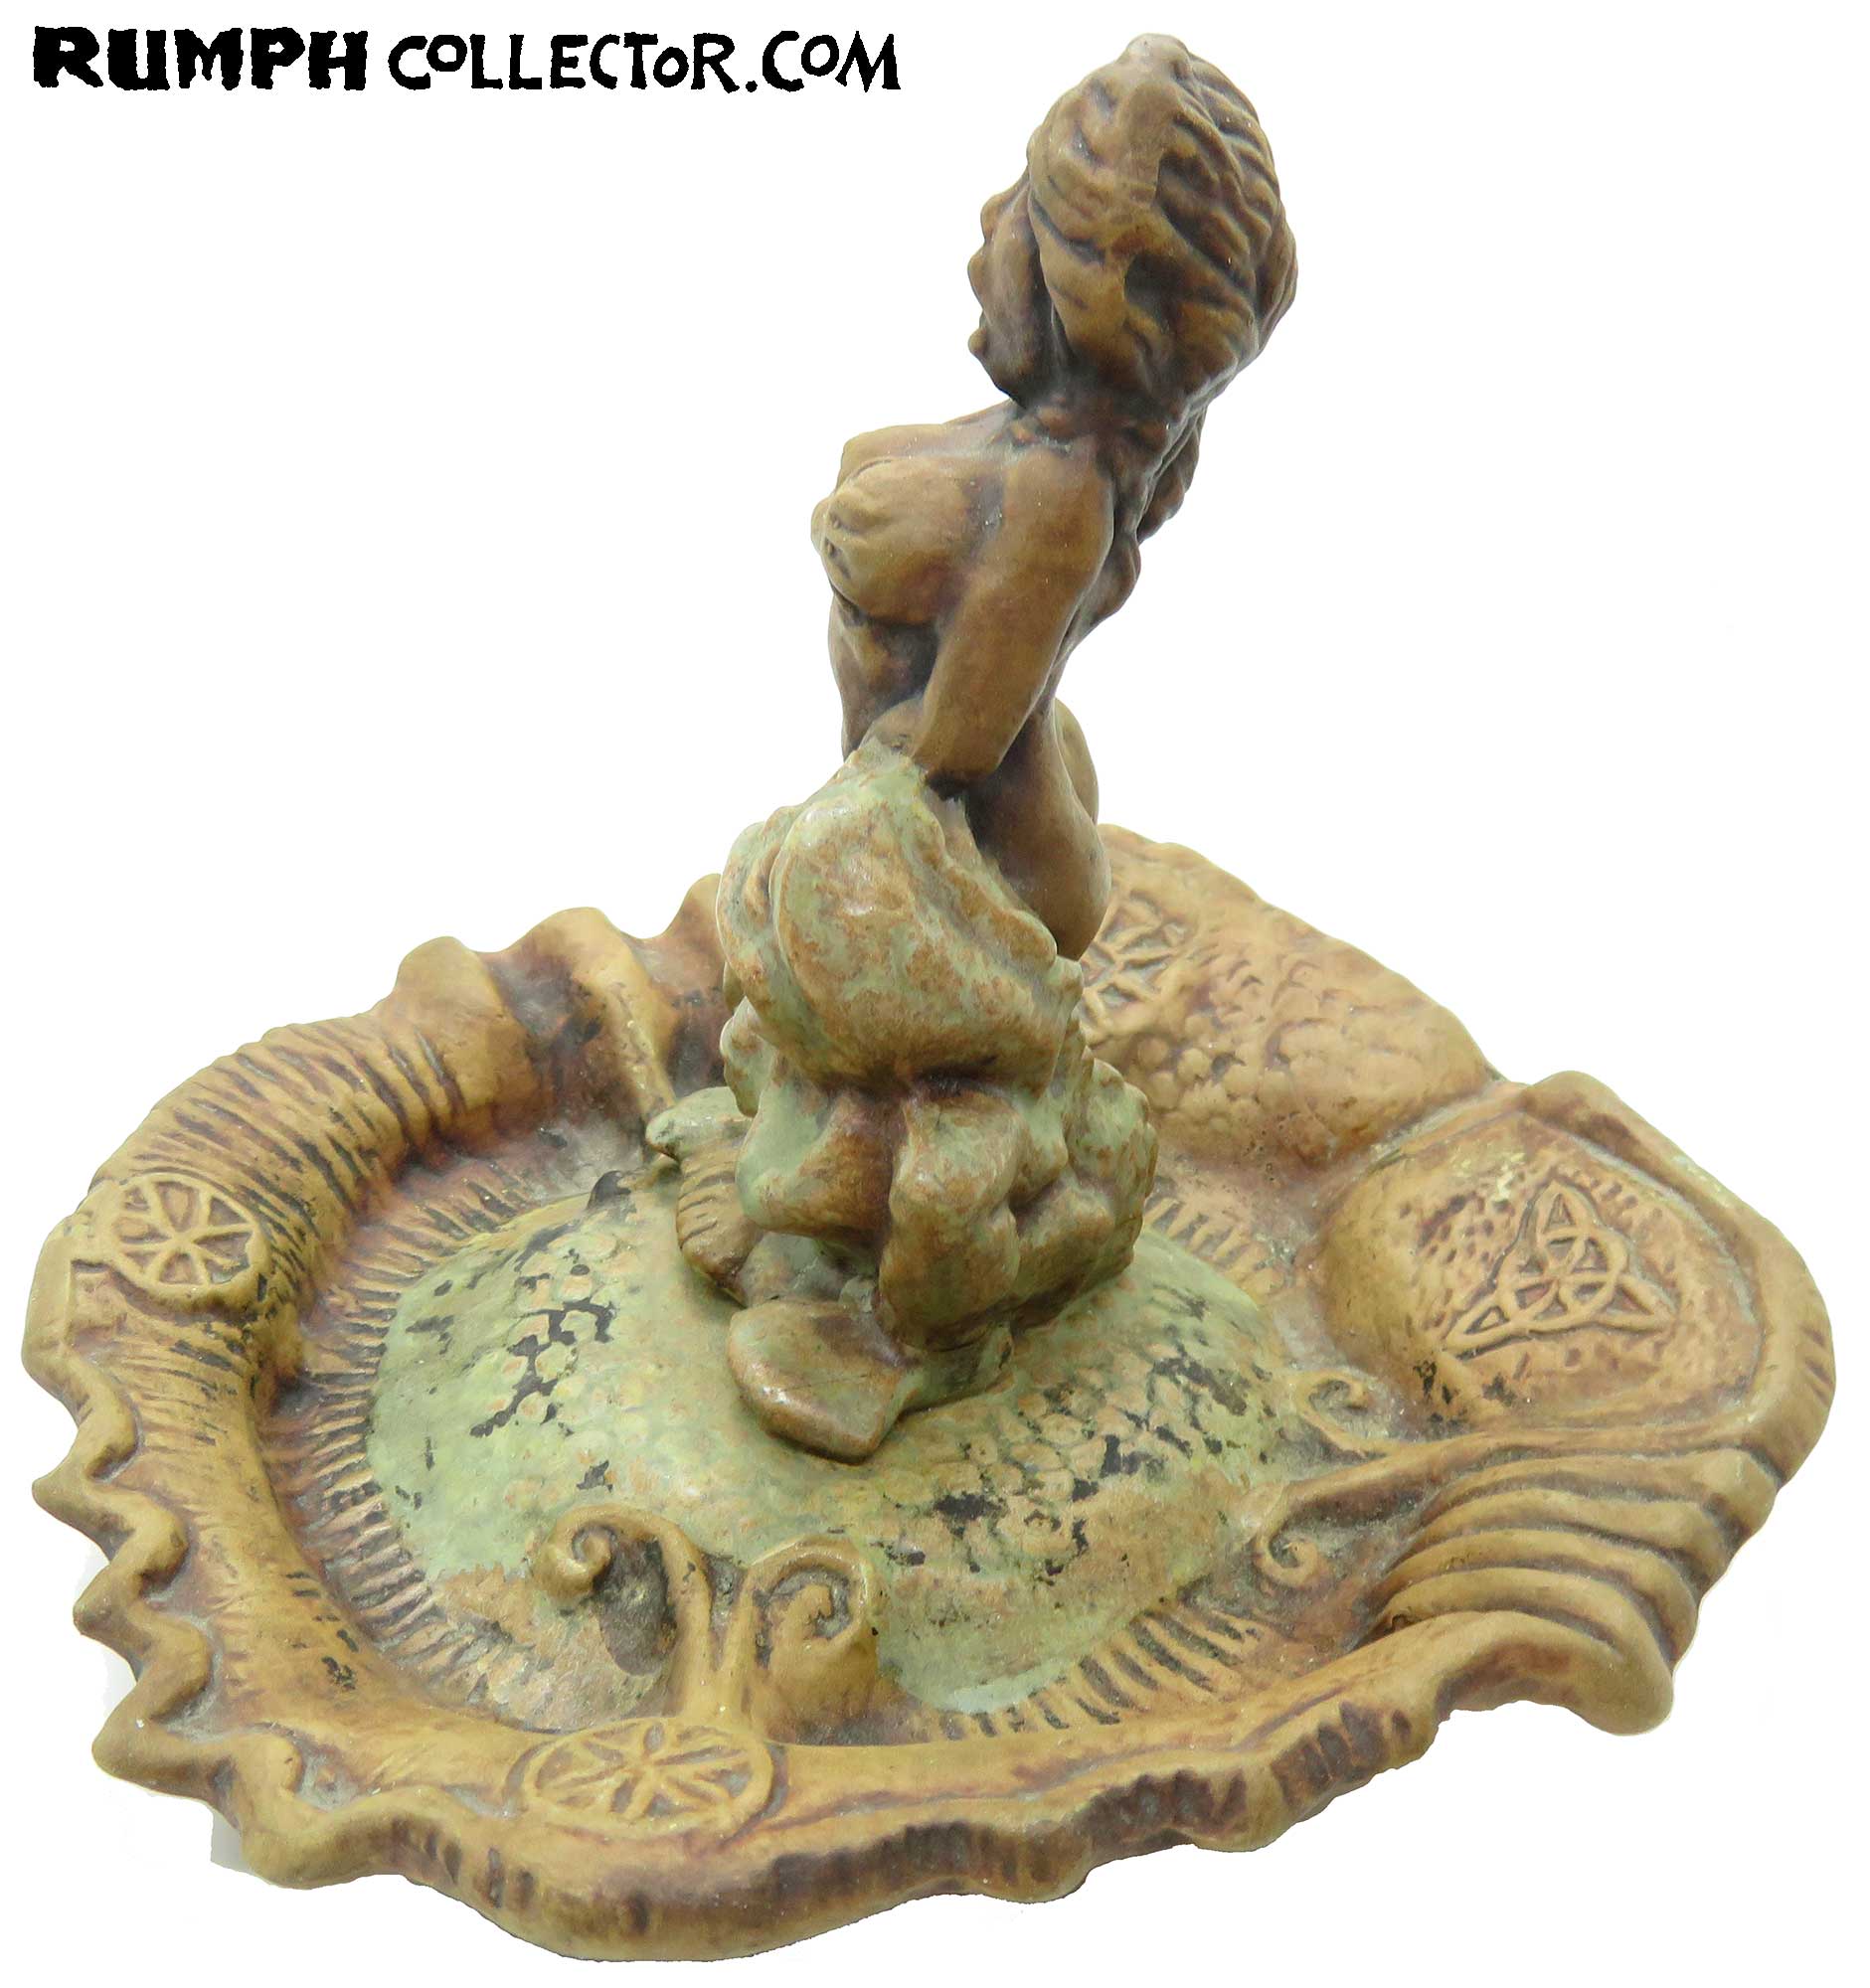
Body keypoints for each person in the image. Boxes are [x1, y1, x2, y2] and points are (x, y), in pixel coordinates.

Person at [810, 34, 1297, 961]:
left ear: (1088, 281)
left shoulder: (1057, 499)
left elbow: (951, 750)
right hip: (927, 830)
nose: (991, 218)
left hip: (987, 882)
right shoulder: (1026, 445)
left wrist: (835, 849)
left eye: (1024, 205)